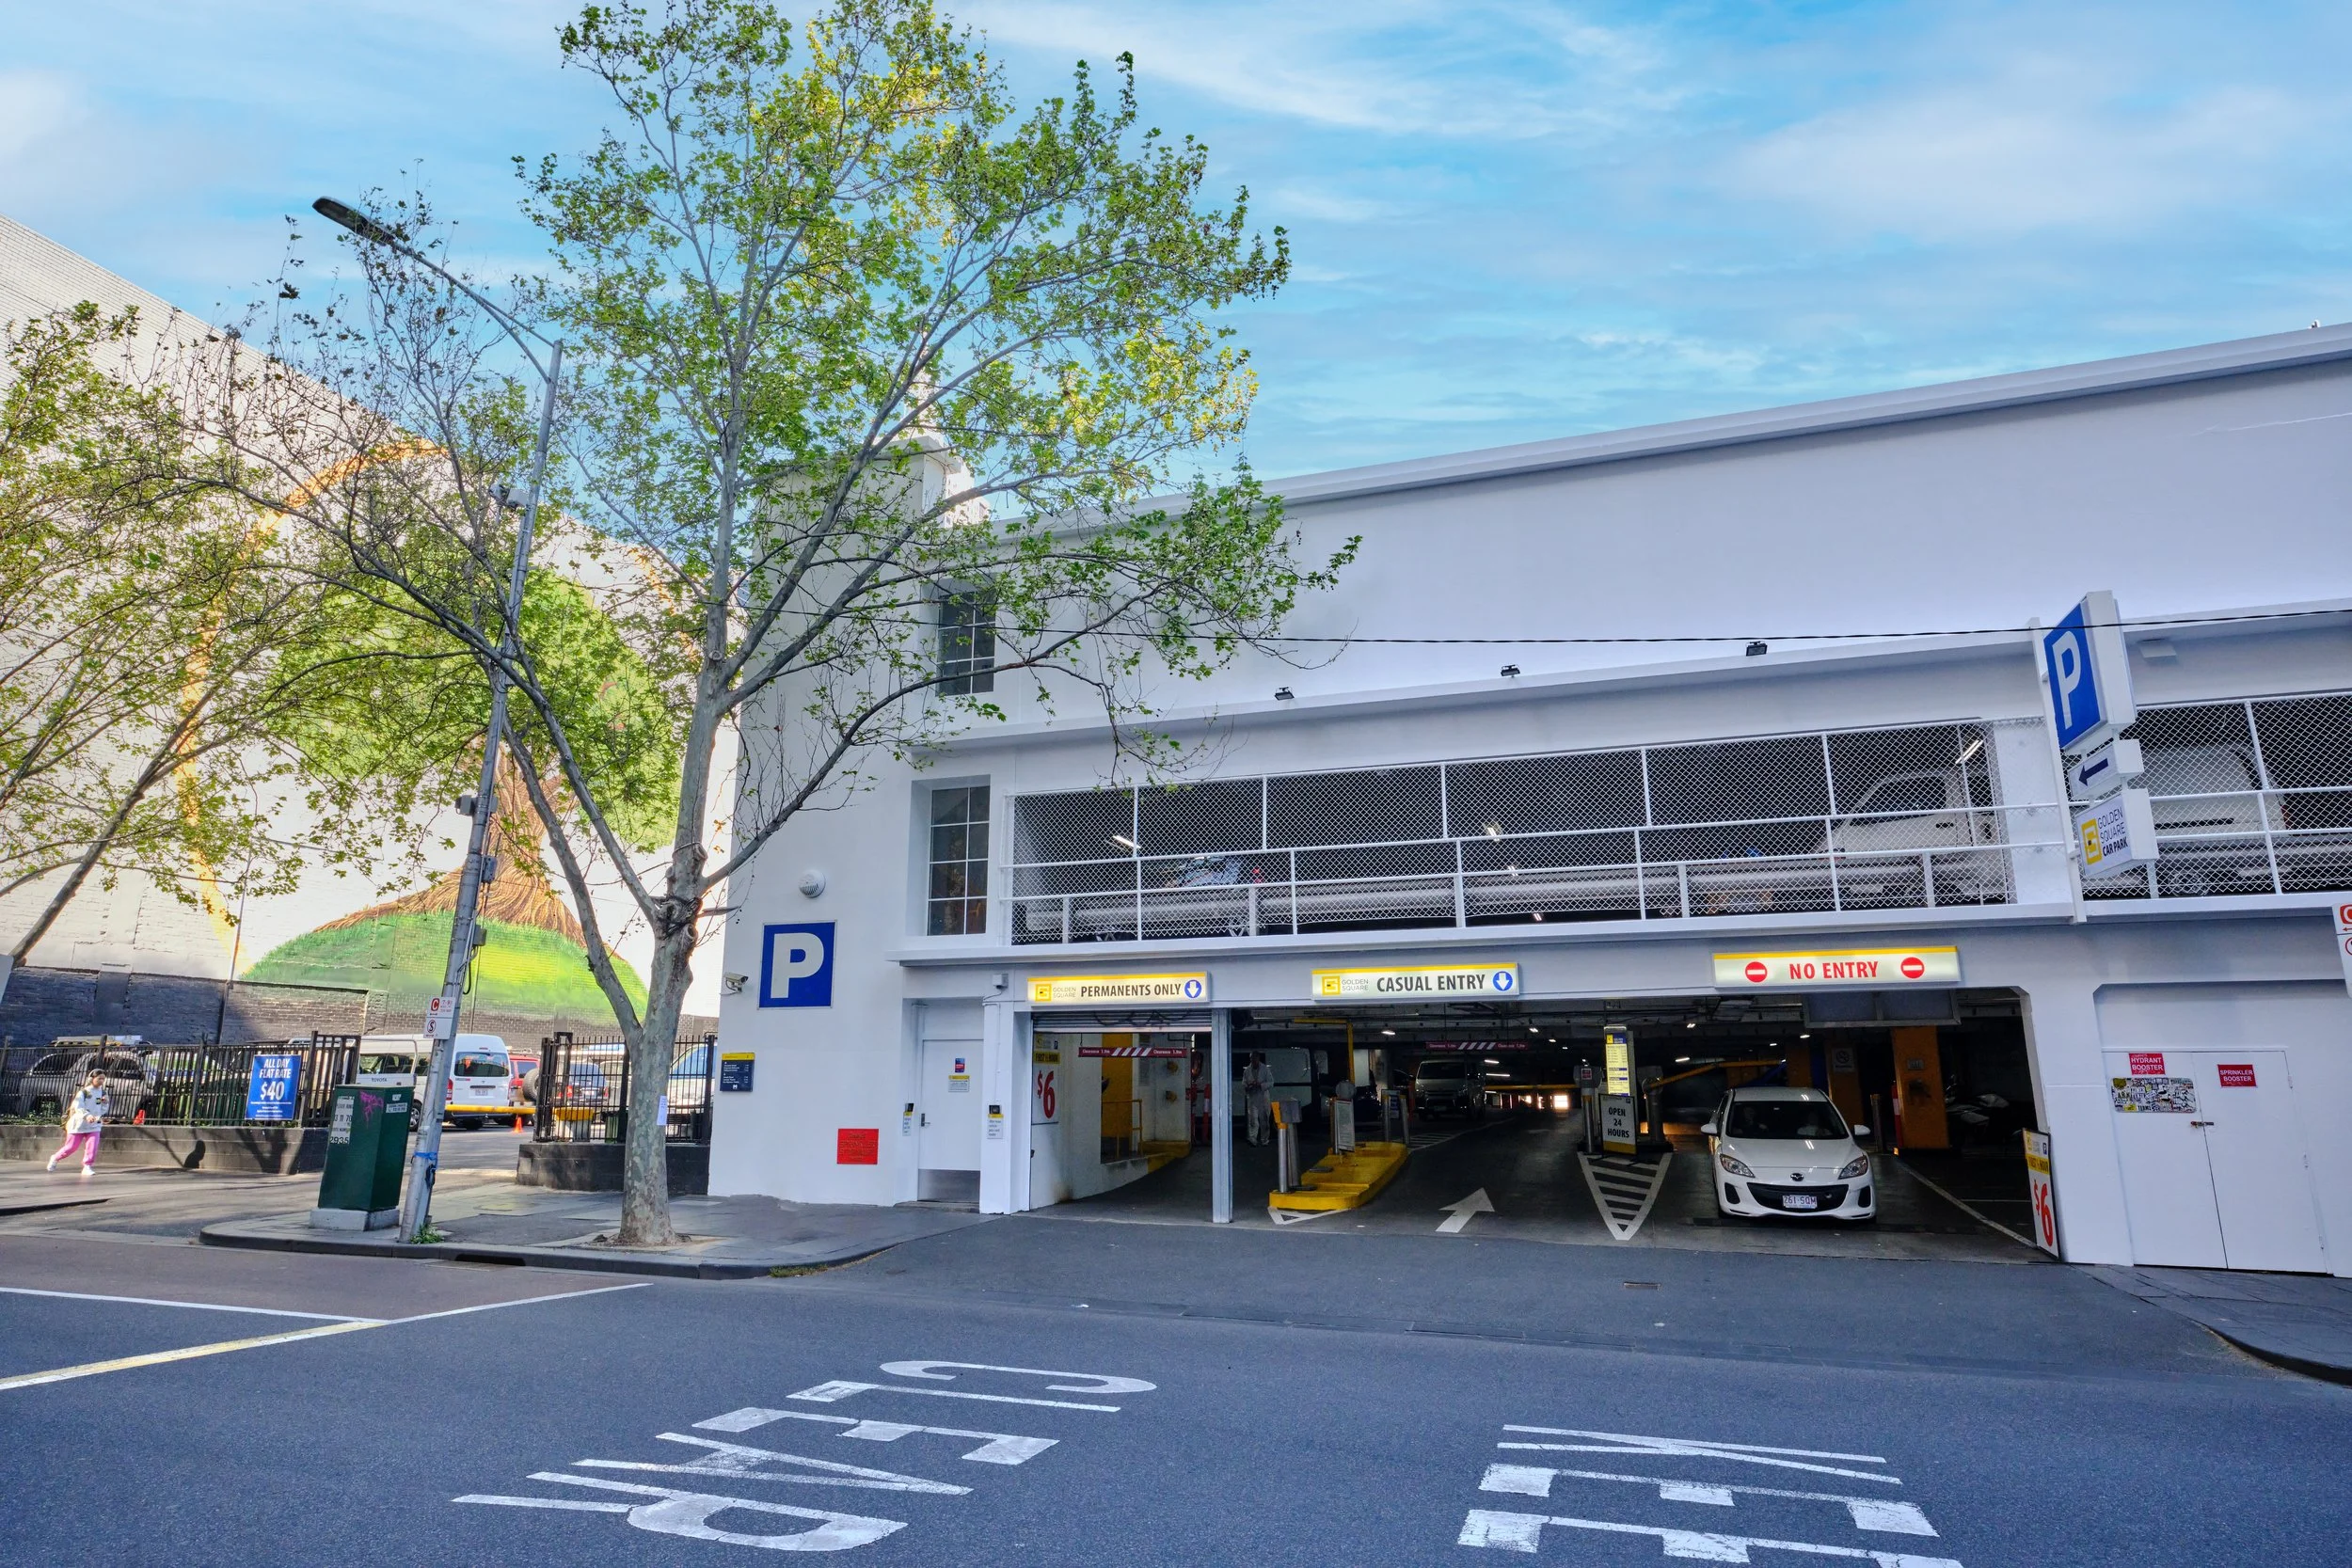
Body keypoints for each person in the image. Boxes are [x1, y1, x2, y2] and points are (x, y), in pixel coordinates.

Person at [47, 1069, 110, 1175]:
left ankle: (87, 1166)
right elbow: (78, 1106)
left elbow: (100, 1107)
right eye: (99, 1078)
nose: (101, 1081)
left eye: (103, 1079)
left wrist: (105, 1103)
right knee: (71, 1147)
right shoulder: (83, 1092)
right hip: (78, 1124)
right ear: (92, 1079)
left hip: (94, 1125)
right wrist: (87, 1116)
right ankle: (55, 1158)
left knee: (92, 1146)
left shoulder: (102, 1092)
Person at [1243, 1052, 1271, 1147]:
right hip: (1252, 1097)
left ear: (1258, 1058)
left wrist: (1260, 1085)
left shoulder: (1265, 1069)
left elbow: (1271, 1082)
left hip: (1263, 1097)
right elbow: (1244, 1084)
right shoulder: (1247, 1070)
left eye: (1254, 1058)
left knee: (1264, 1119)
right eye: (1251, 1058)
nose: (1253, 1060)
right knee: (1252, 1120)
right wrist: (1249, 1086)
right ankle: (1253, 1139)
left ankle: (1264, 1140)